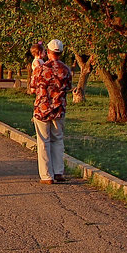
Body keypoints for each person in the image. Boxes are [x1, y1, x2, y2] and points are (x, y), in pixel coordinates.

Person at [32, 39, 73, 184]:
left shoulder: (40, 69)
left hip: (42, 109)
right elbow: (68, 87)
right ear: (61, 53)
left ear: (48, 52)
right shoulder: (66, 70)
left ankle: (46, 176)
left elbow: (33, 87)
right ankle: (58, 172)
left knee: (43, 142)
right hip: (59, 108)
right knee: (58, 140)